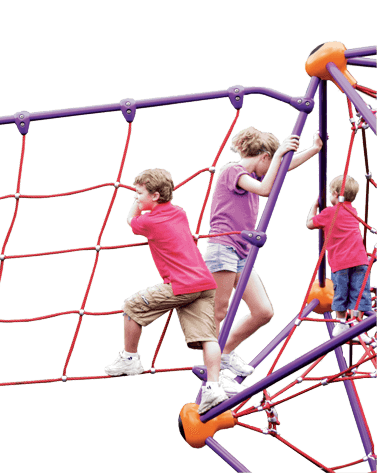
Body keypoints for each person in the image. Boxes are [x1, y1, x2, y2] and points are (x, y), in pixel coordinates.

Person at [104, 168, 227, 414]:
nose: (136, 197)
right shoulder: (180, 212)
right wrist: (143, 197)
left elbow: (130, 221)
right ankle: (215, 387)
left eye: (139, 193)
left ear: (156, 196)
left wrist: (136, 204)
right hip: (205, 283)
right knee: (208, 339)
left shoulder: (148, 221)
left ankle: (130, 358)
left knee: (131, 307)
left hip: (181, 285)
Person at [204, 126, 321, 385]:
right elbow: (267, 189)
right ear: (265, 156)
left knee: (263, 311)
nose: (272, 170)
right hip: (223, 247)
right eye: (271, 162)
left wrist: (313, 150)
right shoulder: (232, 170)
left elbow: (281, 171)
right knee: (219, 311)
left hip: (241, 252)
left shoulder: (258, 171)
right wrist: (280, 153)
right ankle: (214, 373)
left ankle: (224, 351)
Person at [305, 175, 373, 338]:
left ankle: (342, 323)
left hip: (341, 262)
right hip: (360, 260)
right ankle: (356, 323)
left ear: (335, 194)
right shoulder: (353, 211)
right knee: (359, 292)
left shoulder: (329, 213)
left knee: (341, 292)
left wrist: (314, 207)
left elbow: (309, 224)